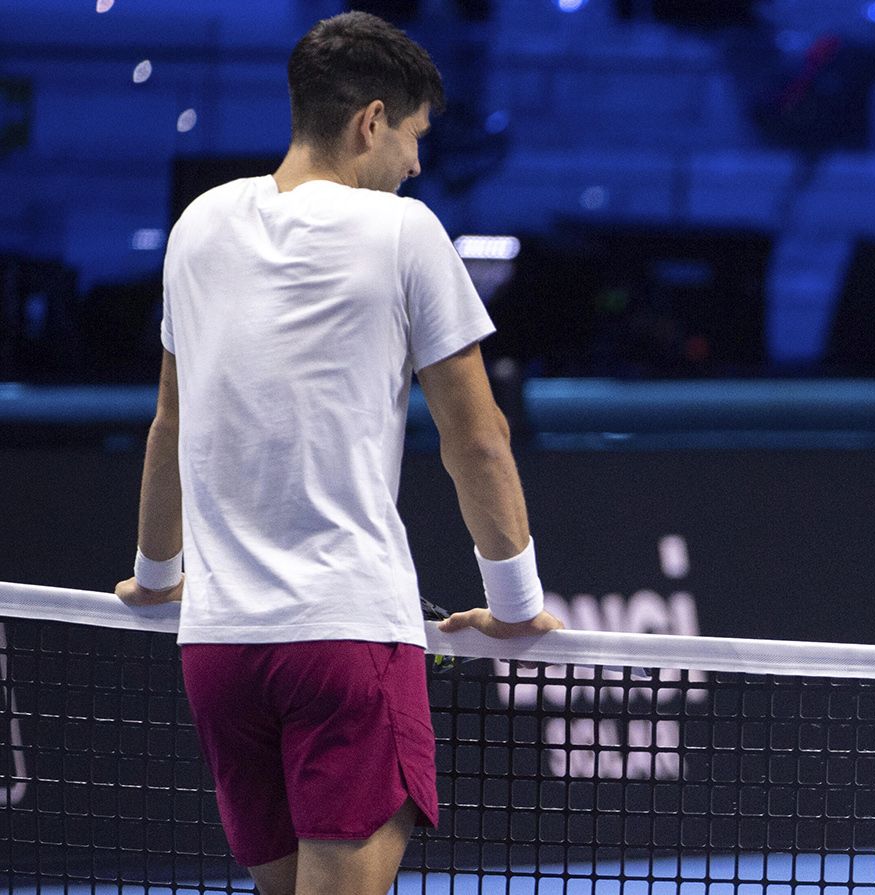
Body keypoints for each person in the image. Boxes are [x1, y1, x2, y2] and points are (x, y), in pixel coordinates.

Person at [110, 12, 562, 895]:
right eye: (415, 136)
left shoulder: (197, 225)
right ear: (370, 121)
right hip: (345, 640)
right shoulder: (406, 232)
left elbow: (169, 424)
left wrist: (155, 576)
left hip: (219, 653)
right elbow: (478, 438)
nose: (418, 165)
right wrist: (514, 605)